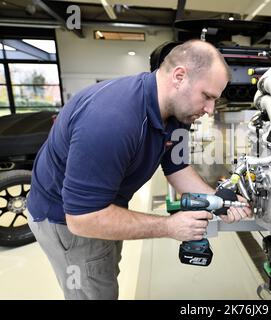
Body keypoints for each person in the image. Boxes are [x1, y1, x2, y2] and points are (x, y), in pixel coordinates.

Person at [26, 39, 253, 300]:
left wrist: (218, 202)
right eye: (207, 96)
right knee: (93, 292)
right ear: (179, 77)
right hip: (66, 221)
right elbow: (82, 219)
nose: (211, 109)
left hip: (106, 207)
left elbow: (176, 167)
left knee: (105, 274)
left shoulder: (179, 113)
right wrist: (170, 226)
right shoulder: (112, 121)